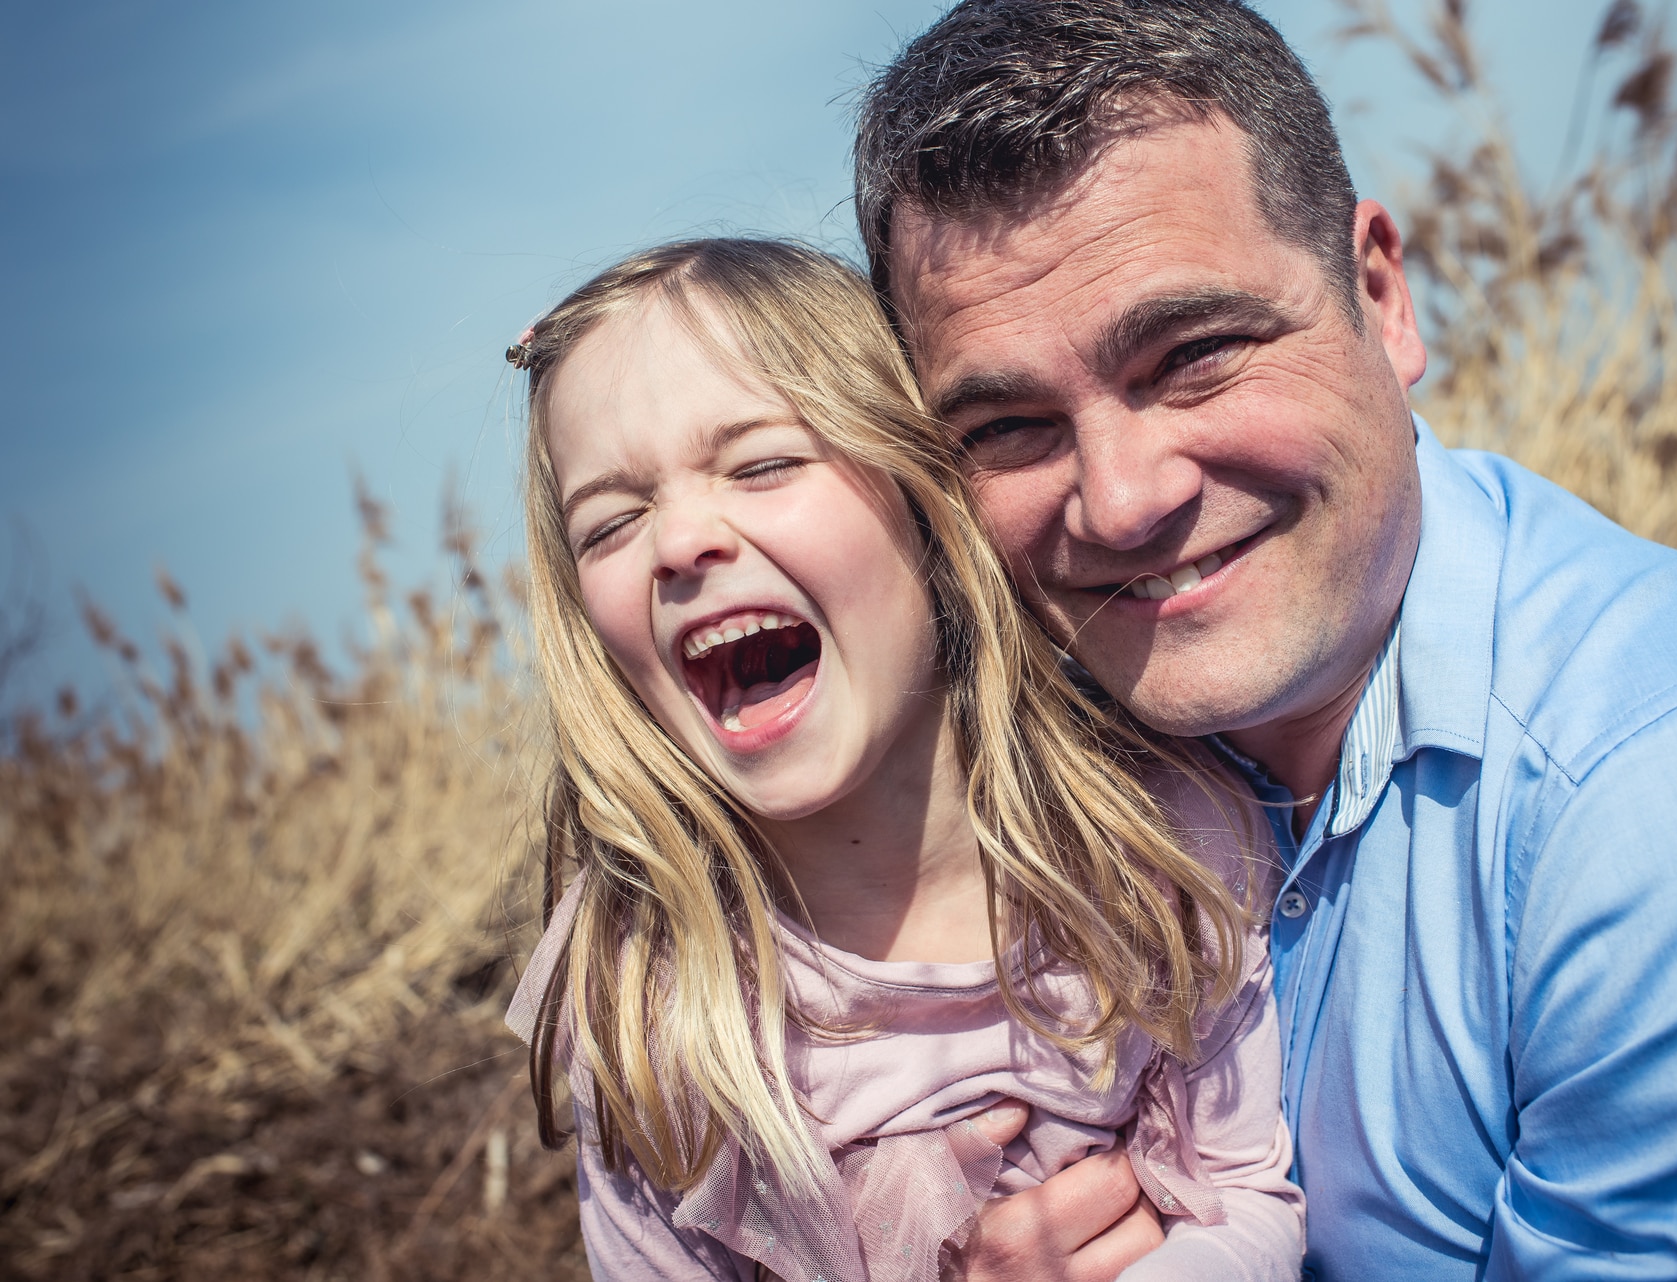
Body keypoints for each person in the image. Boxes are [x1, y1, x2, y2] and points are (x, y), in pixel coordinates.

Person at [851, 1, 1677, 1279]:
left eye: (1195, 355)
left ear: (1380, 296)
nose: (1123, 500)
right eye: (1008, 427)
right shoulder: (974, 791)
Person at [500, 237, 1306, 1281]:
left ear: (927, 503)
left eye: (763, 464)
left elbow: (1248, 1204)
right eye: (610, 524)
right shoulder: (650, 1002)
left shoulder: (1159, 844)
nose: (680, 541)